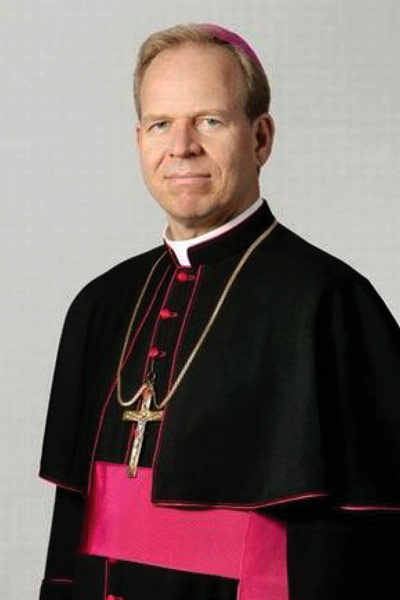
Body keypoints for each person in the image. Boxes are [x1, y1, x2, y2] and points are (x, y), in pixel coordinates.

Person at [38, 23, 400, 600]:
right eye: (161, 124)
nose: (181, 146)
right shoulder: (99, 304)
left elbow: (373, 544)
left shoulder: (331, 301)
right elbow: (71, 528)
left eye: (209, 120)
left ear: (260, 138)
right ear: (139, 140)